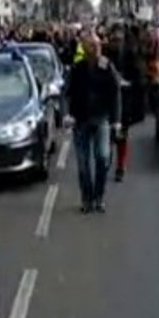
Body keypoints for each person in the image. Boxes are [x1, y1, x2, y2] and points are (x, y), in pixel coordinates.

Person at [65, 32, 121, 213]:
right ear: (84, 47)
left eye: (97, 45)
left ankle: (99, 196)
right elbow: (67, 93)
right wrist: (67, 114)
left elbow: (115, 93)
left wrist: (116, 120)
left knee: (102, 158)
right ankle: (86, 199)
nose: (96, 48)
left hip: (101, 119)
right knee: (83, 165)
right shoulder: (77, 68)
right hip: (80, 121)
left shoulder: (106, 67)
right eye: (91, 45)